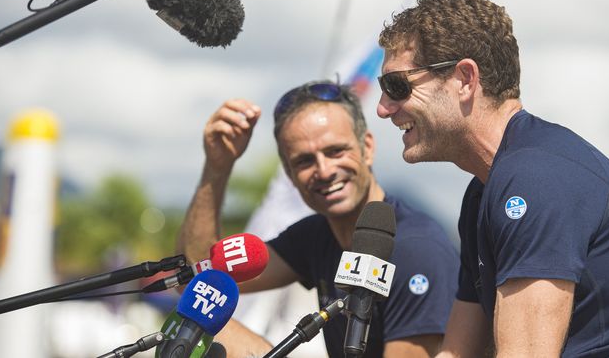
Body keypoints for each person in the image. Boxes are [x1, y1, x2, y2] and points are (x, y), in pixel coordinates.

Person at [375, 0, 609, 357]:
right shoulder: (484, 191)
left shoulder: (535, 178)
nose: (384, 108)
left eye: (396, 86)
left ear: (465, 79)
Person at [178, 81, 459, 358]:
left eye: (335, 151)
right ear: (289, 175)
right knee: (196, 318)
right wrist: (217, 168)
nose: (324, 171)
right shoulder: (316, 235)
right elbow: (197, 282)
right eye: (304, 161)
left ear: (368, 148)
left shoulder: (418, 249)